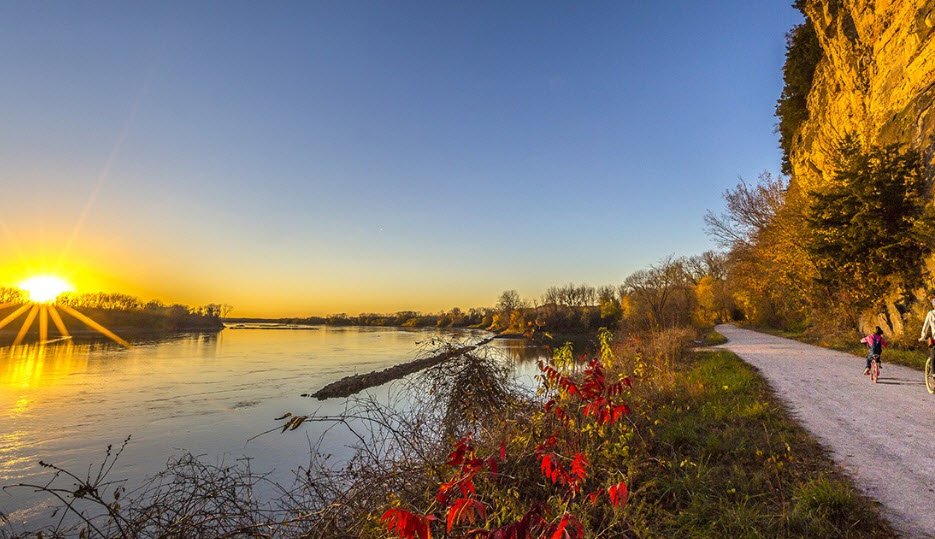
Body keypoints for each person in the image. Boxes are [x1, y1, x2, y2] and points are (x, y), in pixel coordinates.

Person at [918, 295, 935, 372]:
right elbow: (925, 327)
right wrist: (923, 336)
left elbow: (925, 327)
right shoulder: (930, 314)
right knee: (933, 357)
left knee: (933, 356)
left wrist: (922, 337)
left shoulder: (931, 313)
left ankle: (933, 372)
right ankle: (933, 374)